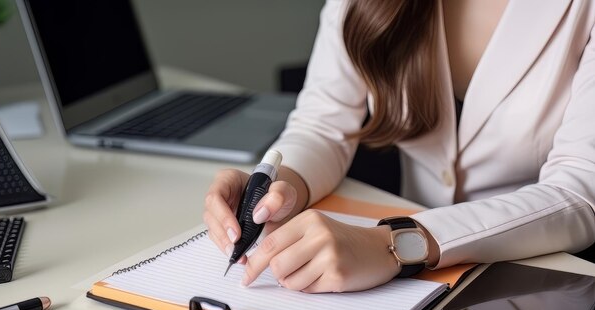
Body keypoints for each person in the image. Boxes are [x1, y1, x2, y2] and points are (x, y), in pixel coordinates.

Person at [204, 0, 595, 293]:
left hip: (545, 274)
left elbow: (579, 191)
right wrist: (281, 187)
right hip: (406, 285)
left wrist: (398, 243)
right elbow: (321, 124)